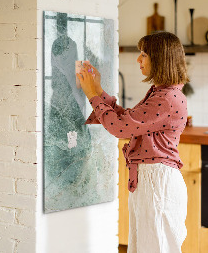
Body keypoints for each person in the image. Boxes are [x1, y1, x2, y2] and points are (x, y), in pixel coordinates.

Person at [76, 31, 189, 253]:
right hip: (151, 181)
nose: (138, 59)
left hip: (157, 183)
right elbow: (128, 120)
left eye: (144, 54)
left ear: (160, 58)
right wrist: (98, 90)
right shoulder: (162, 93)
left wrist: (92, 95)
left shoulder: (166, 98)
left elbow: (120, 128)